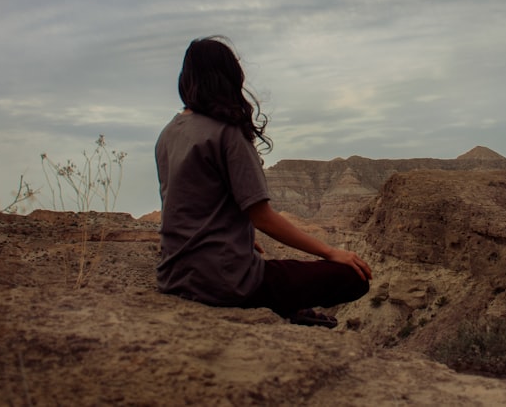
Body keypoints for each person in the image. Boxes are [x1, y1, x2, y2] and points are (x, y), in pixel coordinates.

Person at [155, 36, 372, 328]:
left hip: (174, 276)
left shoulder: (168, 133)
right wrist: (332, 252)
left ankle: (289, 309)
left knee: (279, 272)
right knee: (352, 278)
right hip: (225, 282)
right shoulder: (227, 133)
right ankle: (286, 310)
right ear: (231, 77)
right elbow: (262, 217)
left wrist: (235, 235)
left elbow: (185, 202)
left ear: (187, 78)